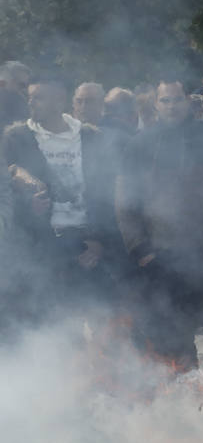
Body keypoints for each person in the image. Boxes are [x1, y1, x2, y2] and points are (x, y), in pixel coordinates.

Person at [116, 77, 203, 366]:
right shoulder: (140, 145)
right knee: (171, 340)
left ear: (188, 101)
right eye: (165, 100)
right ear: (156, 104)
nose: (171, 106)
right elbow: (125, 203)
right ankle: (180, 400)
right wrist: (142, 250)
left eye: (176, 100)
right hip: (162, 257)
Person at [1, 78, 120, 311]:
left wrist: (98, 241)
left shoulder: (89, 137)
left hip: (85, 242)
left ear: (59, 101)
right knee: (45, 321)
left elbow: (105, 194)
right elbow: (6, 189)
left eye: (38, 98)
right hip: (40, 247)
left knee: (100, 319)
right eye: (30, 98)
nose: (31, 103)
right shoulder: (17, 138)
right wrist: (28, 203)